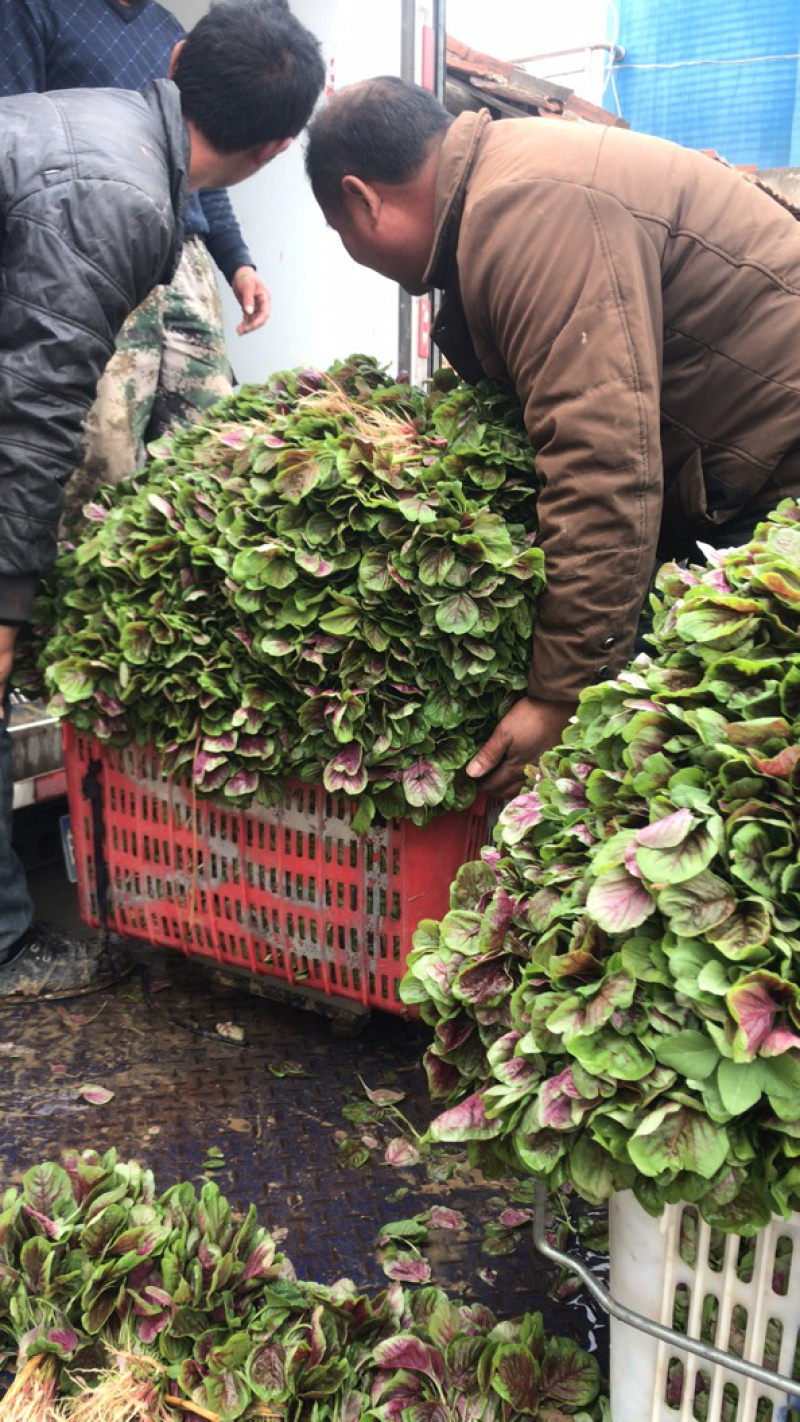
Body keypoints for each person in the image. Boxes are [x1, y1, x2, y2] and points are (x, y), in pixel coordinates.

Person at [305, 76, 800, 795]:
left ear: (362, 198)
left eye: (338, 229)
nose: (348, 246)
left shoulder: (525, 210)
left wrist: (559, 695)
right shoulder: (508, 181)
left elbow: (601, 465)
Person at [0, 0, 325, 1002]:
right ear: (274, 152)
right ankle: (10, 949)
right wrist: (8, 601)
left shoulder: (106, 125)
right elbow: (37, 408)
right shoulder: (119, 196)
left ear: (176, 62)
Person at [0, 0, 282, 531]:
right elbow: (23, 136)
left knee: (210, 438)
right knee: (101, 449)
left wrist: (239, 263)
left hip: (184, 256)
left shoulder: (170, 30)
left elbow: (209, 159)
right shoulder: (36, 10)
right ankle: (62, 593)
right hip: (88, 239)